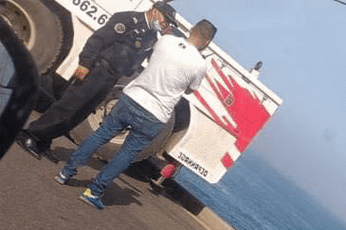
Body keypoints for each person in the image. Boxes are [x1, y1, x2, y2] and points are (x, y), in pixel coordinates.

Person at [55, 20, 216, 209]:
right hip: (156, 114)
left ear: (192, 30)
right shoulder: (200, 65)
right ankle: (93, 191)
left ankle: (66, 172)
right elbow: (190, 90)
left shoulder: (166, 41)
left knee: (102, 134)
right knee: (127, 153)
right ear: (207, 42)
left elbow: (152, 57)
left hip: (132, 98)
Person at [17, 1, 176, 159]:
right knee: (68, 106)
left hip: (111, 77)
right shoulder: (128, 20)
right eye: (165, 19)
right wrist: (85, 63)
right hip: (97, 70)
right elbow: (99, 39)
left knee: (80, 113)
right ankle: (31, 135)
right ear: (155, 11)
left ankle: (44, 140)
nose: (165, 24)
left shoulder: (152, 37)